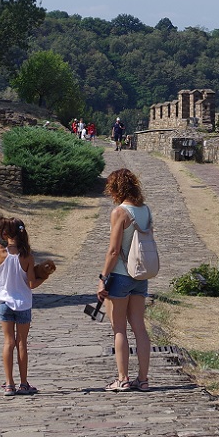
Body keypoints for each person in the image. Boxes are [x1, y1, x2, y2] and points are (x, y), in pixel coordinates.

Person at [0, 217, 54, 396]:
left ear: (5, 234)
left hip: (5, 304)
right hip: (23, 305)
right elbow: (31, 284)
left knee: (8, 342)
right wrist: (44, 277)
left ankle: (9, 384)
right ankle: (23, 384)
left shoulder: (0, 252)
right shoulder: (27, 257)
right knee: (22, 343)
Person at [96, 168, 153, 392]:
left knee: (119, 328)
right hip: (140, 274)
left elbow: (113, 251)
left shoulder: (120, 212)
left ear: (115, 188)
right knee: (139, 327)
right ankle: (143, 379)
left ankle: (123, 378)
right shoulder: (145, 210)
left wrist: (103, 277)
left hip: (120, 274)